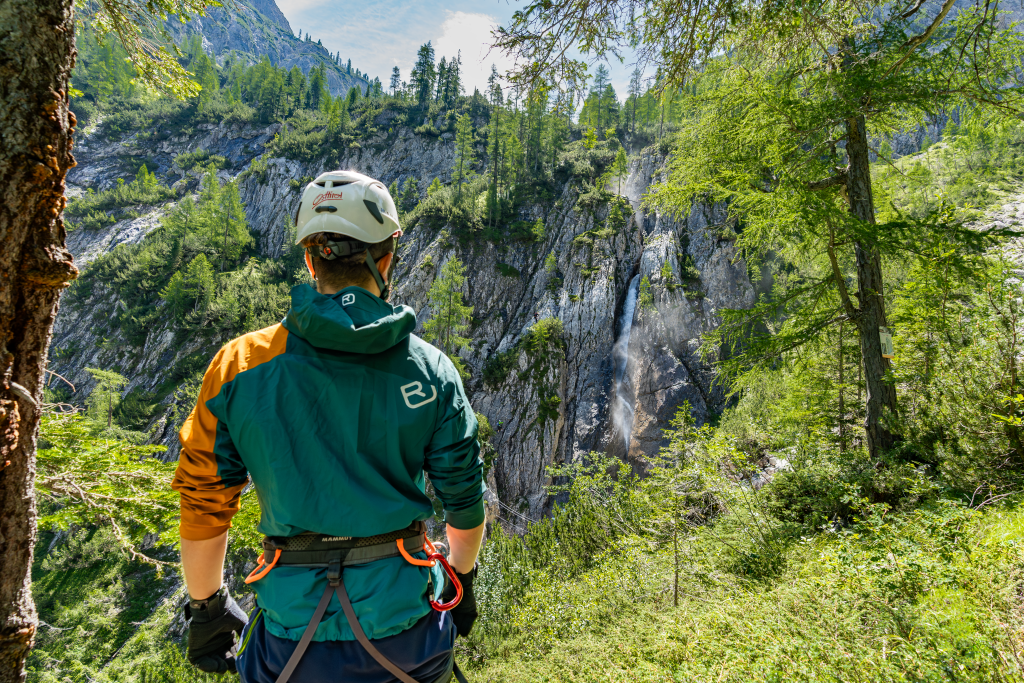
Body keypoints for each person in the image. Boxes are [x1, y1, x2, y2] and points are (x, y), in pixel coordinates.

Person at [171, 170, 485, 683]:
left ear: (310, 260)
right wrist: (463, 580)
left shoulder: (239, 366)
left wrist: (207, 609)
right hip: (407, 634)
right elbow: (465, 504)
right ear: (385, 259)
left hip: (290, 640)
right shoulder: (430, 371)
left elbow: (205, 502)